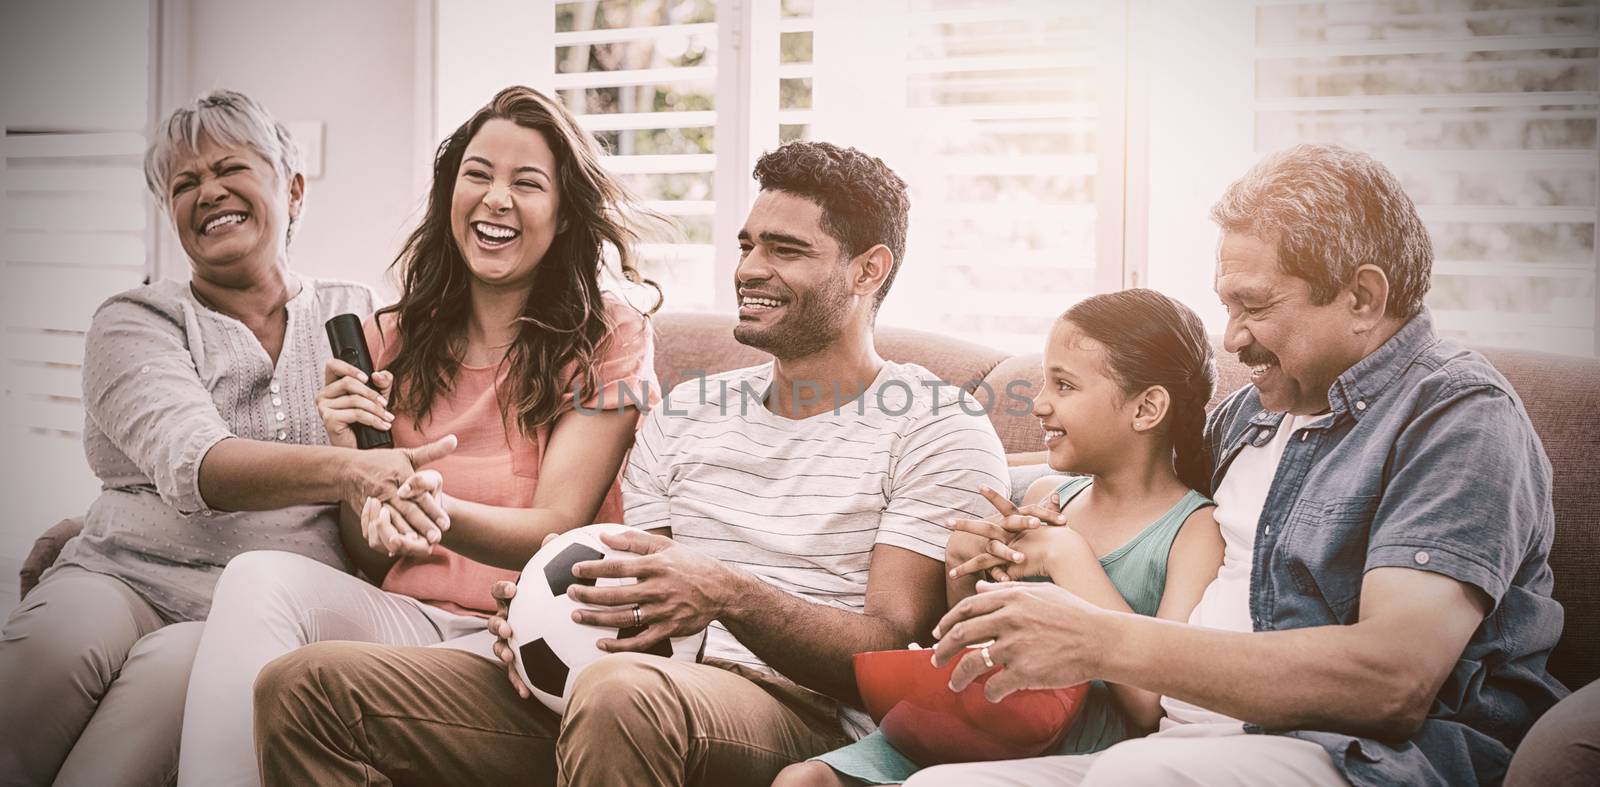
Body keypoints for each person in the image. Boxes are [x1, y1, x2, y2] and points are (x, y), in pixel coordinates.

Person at [249, 140, 1009, 786]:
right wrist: (539, 615)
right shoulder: (689, 409)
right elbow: (627, 581)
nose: (749, 269)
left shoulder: (935, 424)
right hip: (628, 683)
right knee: (307, 685)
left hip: (793, 710)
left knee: (620, 692)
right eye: (746, 244)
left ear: (868, 270)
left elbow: (888, 647)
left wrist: (728, 593)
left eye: (786, 249)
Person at [914, 144, 1567, 786]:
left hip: (1355, 756)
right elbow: (1131, 479)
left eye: (1253, 305)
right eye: (1228, 306)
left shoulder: (1456, 417)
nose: (1232, 338)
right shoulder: (1247, 417)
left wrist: (1098, 638)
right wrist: (1022, 504)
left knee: (1137, 776)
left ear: (1363, 297)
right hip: (1181, 747)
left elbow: (1392, 680)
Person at [176, 85, 662, 787]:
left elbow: (554, 526)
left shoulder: (609, 336)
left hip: (520, 635)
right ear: (450, 199)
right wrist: (353, 466)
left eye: (527, 183)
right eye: (478, 175)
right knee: (258, 577)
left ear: (561, 218)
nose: (496, 198)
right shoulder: (389, 337)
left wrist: (419, 499)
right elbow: (373, 554)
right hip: (408, 615)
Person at [0, 89, 452, 787]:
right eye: (185, 183)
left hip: (242, 612)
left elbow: (378, 505)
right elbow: (195, 462)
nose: (208, 191)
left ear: (293, 190)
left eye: (231, 167)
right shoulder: (135, 320)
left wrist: (361, 476)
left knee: (141, 723)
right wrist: (349, 469)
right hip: (120, 573)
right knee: (42, 670)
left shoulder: (356, 315)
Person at [777, 288, 1226, 786]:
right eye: (1042, 383)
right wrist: (965, 568)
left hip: (1084, 745)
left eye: (1064, 386)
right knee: (804, 780)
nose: (1038, 405)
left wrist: (1068, 560)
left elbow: (1153, 706)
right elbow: (974, 650)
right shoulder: (1048, 495)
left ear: (1146, 409)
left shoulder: (1196, 531)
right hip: (985, 721)